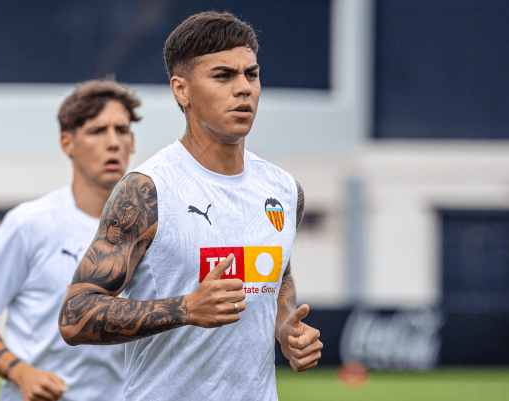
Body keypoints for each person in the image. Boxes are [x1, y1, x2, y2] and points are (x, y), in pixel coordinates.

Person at [58, 11, 323, 400]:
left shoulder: (284, 190)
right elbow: (75, 316)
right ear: (181, 90)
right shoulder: (147, 191)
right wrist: (184, 308)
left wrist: (285, 325)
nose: (244, 89)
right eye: (223, 76)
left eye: (251, 74)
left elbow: (277, 269)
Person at [0, 78, 141, 401]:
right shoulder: (30, 223)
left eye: (121, 130)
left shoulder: (151, 231)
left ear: (132, 141)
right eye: (98, 131)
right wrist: (21, 373)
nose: (113, 142)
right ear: (67, 143)